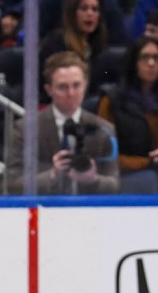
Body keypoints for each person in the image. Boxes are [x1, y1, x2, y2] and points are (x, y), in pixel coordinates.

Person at [8, 51, 120, 194]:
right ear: (49, 90)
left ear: (85, 85)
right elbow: (12, 183)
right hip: (44, 205)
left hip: (87, 205)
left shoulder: (103, 129)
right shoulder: (25, 129)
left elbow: (114, 184)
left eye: (76, 85)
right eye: (62, 87)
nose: (71, 93)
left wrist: (93, 179)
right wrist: (52, 175)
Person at [97, 36, 158, 193]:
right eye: (145, 57)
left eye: (156, 58)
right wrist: (148, 162)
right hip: (130, 177)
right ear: (134, 62)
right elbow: (106, 156)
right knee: (149, 179)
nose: (151, 63)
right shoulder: (113, 102)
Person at [40, 0, 110, 78]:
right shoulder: (56, 44)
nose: (90, 13)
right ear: (72, 13)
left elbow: (104, 77)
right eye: (84, 8)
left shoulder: (99, 47)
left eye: (95, 9)